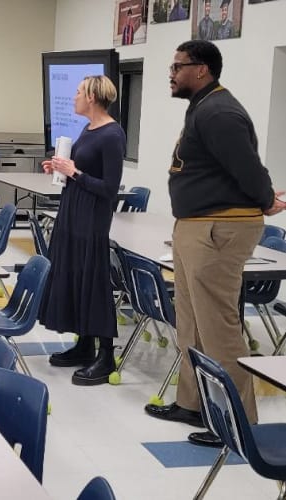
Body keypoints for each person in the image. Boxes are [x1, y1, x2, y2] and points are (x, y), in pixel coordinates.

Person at [144, 40, 286, 447]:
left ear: (202, 69)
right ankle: (193, 402)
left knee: (219, 327)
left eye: (177, 67)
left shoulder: (220, 111)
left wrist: (264, 200)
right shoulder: (203, 106)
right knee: (190, 322)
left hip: (219, 230)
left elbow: (248, 167)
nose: (171, 73)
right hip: (197, 226)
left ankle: (237, 423)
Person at [39, 75, 126, 386]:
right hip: (73, 211)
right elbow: (82, 170)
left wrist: (74, 171)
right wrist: (60, 168)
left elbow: (110, 188)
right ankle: (85, 344)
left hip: (92, 218)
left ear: (92, 97)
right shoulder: (87, 130)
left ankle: (106, 355)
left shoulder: (112, 134)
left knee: (93, 281)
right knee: (76, 275)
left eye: (78, 92)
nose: (74, 97)